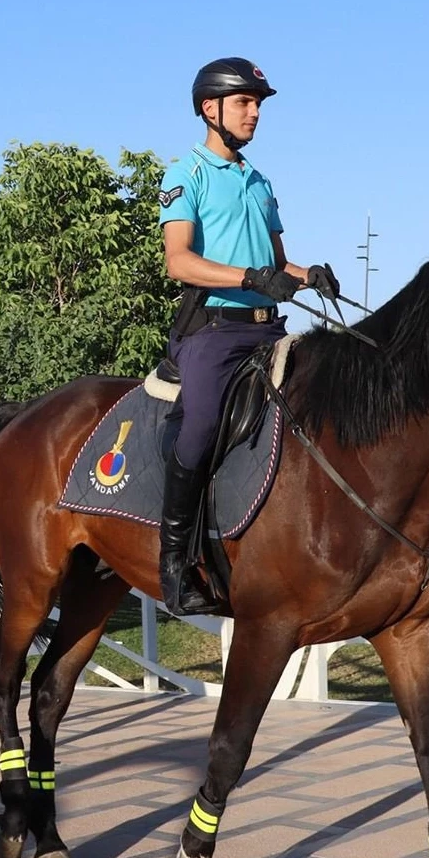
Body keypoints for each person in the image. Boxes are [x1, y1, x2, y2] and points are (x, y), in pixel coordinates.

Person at [157, 57, 340, 616]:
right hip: (214, 331)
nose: (255, 113)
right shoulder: (185, 175)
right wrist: (248, 278)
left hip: (271, 331)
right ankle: (173, 563)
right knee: (204, 423)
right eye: (244, 102)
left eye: (257, 103)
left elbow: (279, 264)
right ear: (210, 109)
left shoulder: (259, 182)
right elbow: (179, 262)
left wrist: (310, 276)